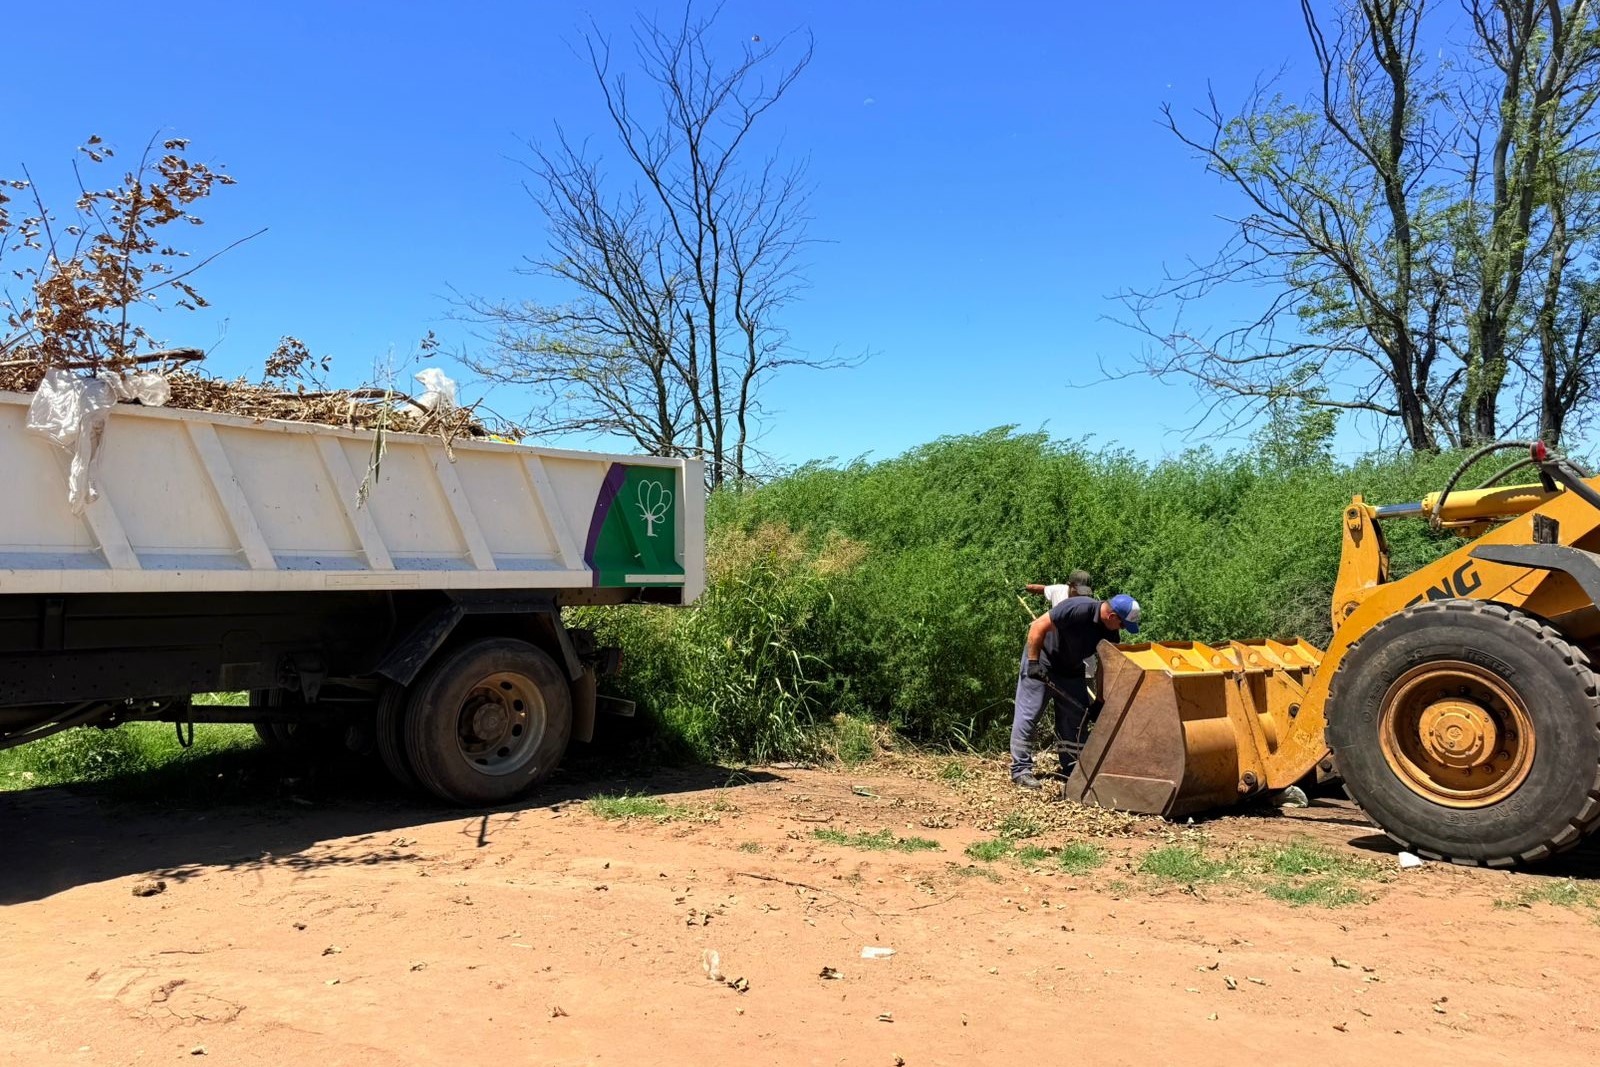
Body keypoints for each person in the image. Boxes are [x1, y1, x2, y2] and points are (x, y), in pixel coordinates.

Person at [1009, 590, 1141, 790]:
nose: (1122, 629)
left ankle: (1071, 767)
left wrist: (1099, 700)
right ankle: (1020, 770)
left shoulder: (1111, 633)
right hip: (1043, 660)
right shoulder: (1078, 608)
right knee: (1029, 714)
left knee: (1076, 719)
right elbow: (1037, 626)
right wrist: (1033, 663)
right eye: (1122, 624)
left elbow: (1104, 665)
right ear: (1112, 616)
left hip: (1071, 670)